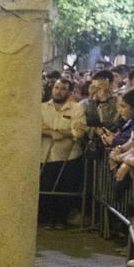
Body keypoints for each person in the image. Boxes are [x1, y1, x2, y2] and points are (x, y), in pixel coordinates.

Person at [39, 77, 84, 229]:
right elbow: (36, 126)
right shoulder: (42, 107)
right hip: (45, 155)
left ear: (69, 92)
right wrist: (51, 132)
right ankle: (46, 219)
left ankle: (60, 220)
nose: (59, 91)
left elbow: (78, 130)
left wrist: (61, 133)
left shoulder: (77, 108)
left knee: (64, 189)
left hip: (68, 156)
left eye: (63, 88)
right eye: (57, 88)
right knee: (45, 188)